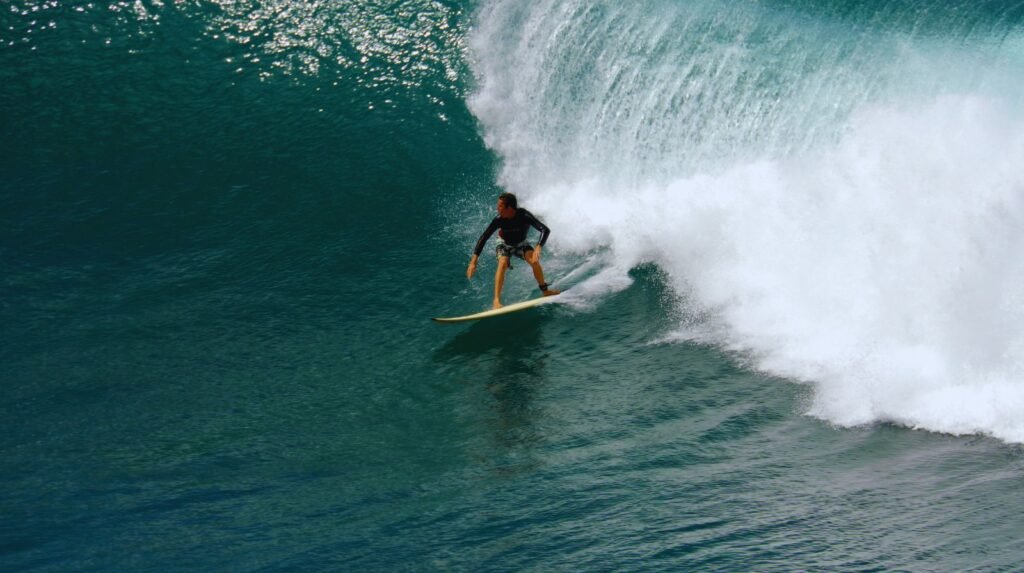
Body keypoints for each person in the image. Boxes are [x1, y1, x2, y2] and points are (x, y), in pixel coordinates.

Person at [466, 192, 560, 309]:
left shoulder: (524, 215)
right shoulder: (499, 220)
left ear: (509, 208)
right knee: (502, 263)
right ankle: (496, 301)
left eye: (500, 206)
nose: (497, 208)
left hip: (521, 243)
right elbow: (484, 237)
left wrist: (538, 246)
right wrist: (473, 261)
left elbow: (545, 230)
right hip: (504, 243)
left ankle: (545, 291)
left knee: (534, 261)